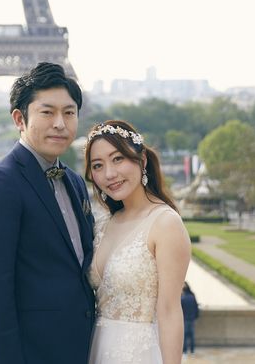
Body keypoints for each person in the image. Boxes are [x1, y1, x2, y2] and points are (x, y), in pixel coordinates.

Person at [0, 62, 95, 364]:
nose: (60, 123)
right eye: (47, 112)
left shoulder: (75, 182)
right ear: (19, 119)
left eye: (69, 112)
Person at [85, 120, 191, 364]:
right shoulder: (103, 223)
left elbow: (170, 312)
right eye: (98, 165)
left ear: (142, 160)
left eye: (118, 159)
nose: (109, 174)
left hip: (140, 354)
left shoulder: (165, 223)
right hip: (96, 350)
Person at [181, 282, 199, 356]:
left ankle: (184, 351)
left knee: (184, 336)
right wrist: (195, 316)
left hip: (185, 319)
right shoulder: (192, 297)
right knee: (192, 336)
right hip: (191, 319)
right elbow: (196, 308)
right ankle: (192, 351)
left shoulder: (182, 298)